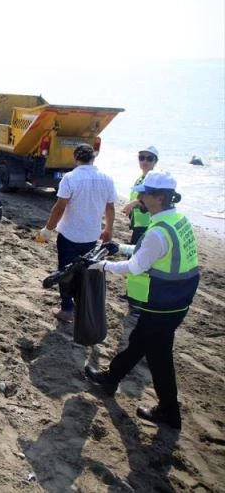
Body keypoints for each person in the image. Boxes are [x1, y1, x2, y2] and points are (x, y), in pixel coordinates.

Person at [84, 172, 199, 430]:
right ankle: (112, 378)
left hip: (164, 302)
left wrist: (102, 265)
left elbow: (136, 267)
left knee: (155, 353)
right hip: (180, 298)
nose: (139, 197)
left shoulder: (158, 232)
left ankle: (169, 412)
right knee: (144, 344)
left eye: (144, 193)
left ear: (158, 197)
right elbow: (153, 253)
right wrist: (121, 247)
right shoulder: (177, 219)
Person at [38, 144, 116, 322]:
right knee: (86, 272)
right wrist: (108, 229)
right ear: (93, 157)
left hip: (69, 234)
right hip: (91, 235)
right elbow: (110, 207)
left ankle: (67, 309)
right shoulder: (107, 178)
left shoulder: (70, 178)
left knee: (66, 272)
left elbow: (60, 207)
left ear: (76, 158)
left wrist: (48, 229)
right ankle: (82, 307)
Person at [122, 146, 159, 244]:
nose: (145, 161)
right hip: (139, 223)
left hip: (147, 225)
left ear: (155, 161)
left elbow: (153, 202)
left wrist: (133, 204)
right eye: (142, 158)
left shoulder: (155, 180)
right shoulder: (141, 177)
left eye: (149, 159)